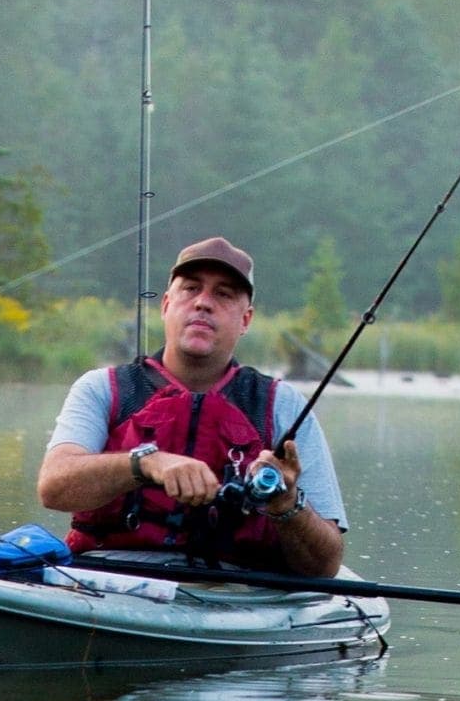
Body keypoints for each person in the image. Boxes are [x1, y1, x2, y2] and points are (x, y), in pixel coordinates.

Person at [37, 237, 347, 577]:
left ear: (246, 320)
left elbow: (324, 566)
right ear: (166, 305)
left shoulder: (283, 405)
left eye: (223, 294)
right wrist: (146, 463)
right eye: (190, 289)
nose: (203, 303)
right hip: (106, 580)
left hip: (239, 591)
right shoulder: (102, 388)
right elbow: (53, 488)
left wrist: (287, 504)